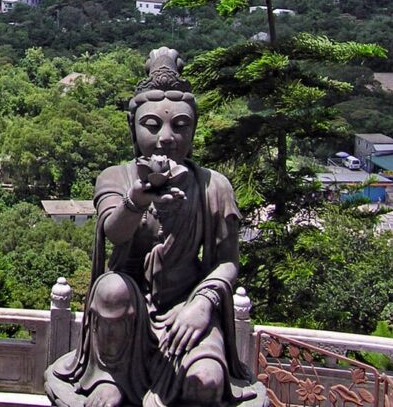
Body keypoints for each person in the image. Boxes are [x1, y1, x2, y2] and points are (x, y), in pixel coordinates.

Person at [46, 48, 262, 407]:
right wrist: (137, 200)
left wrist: (203, 305)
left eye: (180, 126)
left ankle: (194, 360)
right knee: (111, 289)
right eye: (152, 126)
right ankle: (108, 375)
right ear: (134, 129)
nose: (165, 138)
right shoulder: (117, 177)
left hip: (186, 307)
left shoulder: (214, 186)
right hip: (126, 310)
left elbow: (227, 262)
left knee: (205, 383)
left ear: (194, 130)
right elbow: (114, 233)